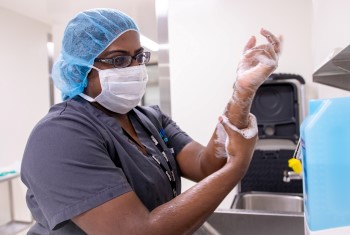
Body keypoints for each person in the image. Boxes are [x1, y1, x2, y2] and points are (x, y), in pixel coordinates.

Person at [21, 8, 281, 235]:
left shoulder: (149, 118)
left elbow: (206, 165)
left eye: (139, 57)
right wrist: (237, 167)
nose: (135, 68)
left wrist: (243, 90)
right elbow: (138, 232)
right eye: (119, 60)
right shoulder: (59, 136)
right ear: (82, 69)